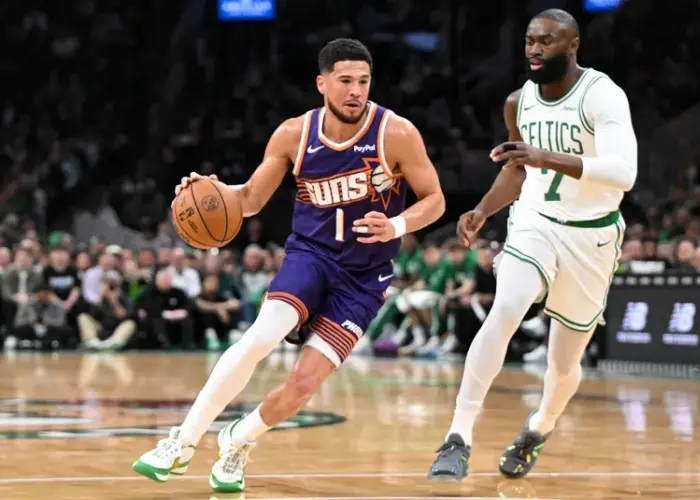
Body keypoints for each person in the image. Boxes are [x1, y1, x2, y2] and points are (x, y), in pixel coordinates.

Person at [132, 38, 445, 493]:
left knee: (301, 386)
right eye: (345, 82)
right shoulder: (294, 134)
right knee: (261, 335)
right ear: (322, 84)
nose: (355, 91)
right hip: (311, 256)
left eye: (363, 81)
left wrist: (397, 224)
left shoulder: (396, 133)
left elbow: (434, 200)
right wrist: (213, 189)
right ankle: (181, 441)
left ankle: (239, 439)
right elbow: (252, 199)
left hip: (363, 278)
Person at [427, 9, 636, 481]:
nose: (536, 49)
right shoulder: (517, 102)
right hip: (535, 221)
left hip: (592, 235)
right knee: (507, 307)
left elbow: (625, 173)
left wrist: (545, 156)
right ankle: (458, 435)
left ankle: (539, 426)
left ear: (573, 45)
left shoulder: (602, 95)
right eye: (529, 41)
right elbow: (519, 167)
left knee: (564, 365)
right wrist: (483, 209)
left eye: (548, 41)